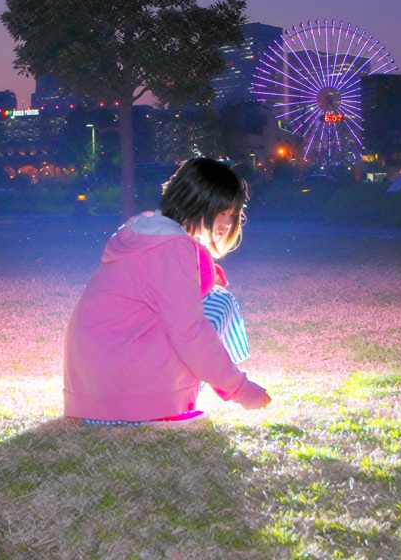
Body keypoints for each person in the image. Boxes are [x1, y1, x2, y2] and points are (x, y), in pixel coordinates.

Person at [63, 157, 271, 425]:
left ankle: (177, 394)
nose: (231, 223)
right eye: (228, 211)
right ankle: (170, 401)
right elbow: (190, 332)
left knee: (208, 301)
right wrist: (240, 390)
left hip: (91, 394)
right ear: (205, 204)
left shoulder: (152, 235)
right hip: (123, 397)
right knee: (219, 304)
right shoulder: (173, 249)